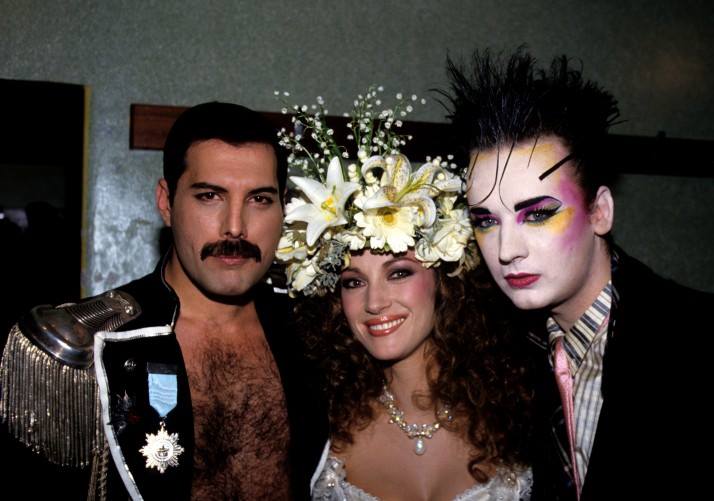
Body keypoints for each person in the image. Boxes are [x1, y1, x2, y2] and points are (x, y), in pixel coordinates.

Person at [443, 49, 714, 500]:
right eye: (486, 221)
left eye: (538, 214)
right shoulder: (500, 356)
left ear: (600, 211)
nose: (507, 250)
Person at [0, 102, 327, 500]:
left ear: (283, 208)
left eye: (259, 199)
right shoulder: (84, 347)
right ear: (166, 202)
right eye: (210, 196)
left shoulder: (316, 335)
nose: (235, 227)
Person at [274, 87, 533, 500]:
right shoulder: (314, 425)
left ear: (443, 278)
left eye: (398, 273)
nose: (374, 302)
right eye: (353, 282)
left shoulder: (525, 406)